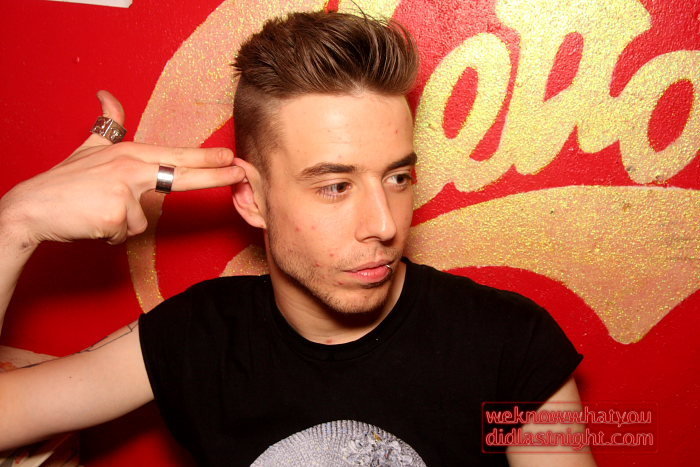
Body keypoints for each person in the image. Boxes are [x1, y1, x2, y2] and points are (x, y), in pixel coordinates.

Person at [0, 10, 595, 466]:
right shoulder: (199, 337)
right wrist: (17, 222)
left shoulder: (511, 344)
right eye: (335, 186)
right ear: (252, 198)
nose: (384, 225)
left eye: (398, 178)